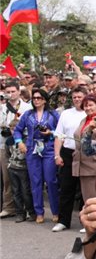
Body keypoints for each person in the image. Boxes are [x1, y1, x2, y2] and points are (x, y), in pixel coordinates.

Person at [13, 88, 60, 224]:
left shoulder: (53, 114)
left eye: (39, 98)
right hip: (32, 149)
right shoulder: (28, 114)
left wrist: (51, 132)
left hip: (49, 149)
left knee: (51, 181)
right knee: (35, 181)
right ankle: (39, 212)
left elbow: (61, 130)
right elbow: (17, 130)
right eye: (34, 98)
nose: (36, 100)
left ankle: (56, 211)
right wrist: (19, 142)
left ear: (45, 100)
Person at [52, 87, 87, 232]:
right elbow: (59, 135)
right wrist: (57, 155)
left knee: (86, 189)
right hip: (67, 153)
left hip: (86, 154)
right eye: (75, 97)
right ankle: (63, 221)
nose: (77, 99)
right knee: (66, 188)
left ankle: (86, 222)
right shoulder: (66, 114)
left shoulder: (90, 113)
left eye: (80, 96)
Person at [0, 81, 31, 219]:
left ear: (19, 91)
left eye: (13, 91)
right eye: (8, 92)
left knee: (25, 180)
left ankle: (29, 208)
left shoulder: (27, 107)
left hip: (23, 144)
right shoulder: (2, 108)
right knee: (7, 177)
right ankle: (9, 207)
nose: (11, 94)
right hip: (5, 144)